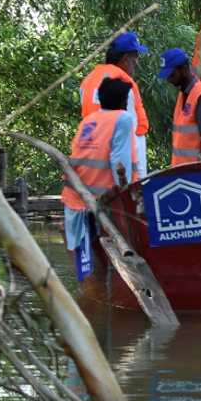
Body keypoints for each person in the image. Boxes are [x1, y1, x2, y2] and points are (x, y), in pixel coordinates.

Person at [61, 77, 136, 255]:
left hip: (73, 197)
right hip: (99, 201)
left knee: (85, 259)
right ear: (123, 100)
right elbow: (119, 158)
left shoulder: (89, 120)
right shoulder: (123, 118)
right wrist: (124, 194)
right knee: (109, 253)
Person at [79, 31, 149, 178]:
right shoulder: (123, 86)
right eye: (135, 57)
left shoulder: (88, 82)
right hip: (119, 172)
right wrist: (140, 181)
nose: (137, 63)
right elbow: (132, 136)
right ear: (125, 59)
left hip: (92, 167)